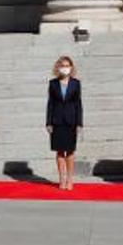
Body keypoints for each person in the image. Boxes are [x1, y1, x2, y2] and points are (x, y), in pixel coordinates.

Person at [46, 55, 83, 191]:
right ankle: (61, 179)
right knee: (60, 151)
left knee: (71, 151)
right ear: (58, 67)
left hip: (71, 121)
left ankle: (70, 179)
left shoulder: (76, 83)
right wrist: (48, 122)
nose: (65, 68)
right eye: (63, 65)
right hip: (57, 121)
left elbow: (78, 104)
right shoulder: (53, 83)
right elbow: (50, 103)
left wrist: (79, 123)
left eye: (67, 65)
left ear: (71, 67)